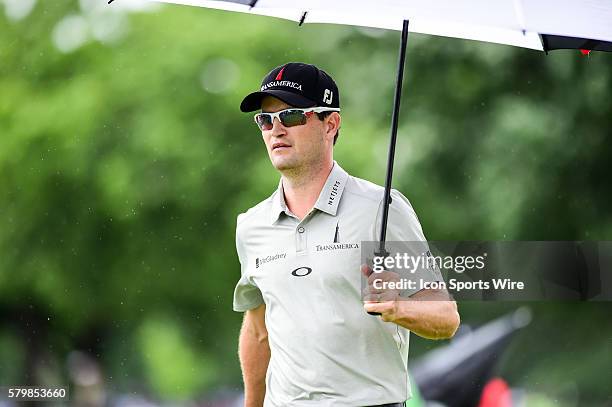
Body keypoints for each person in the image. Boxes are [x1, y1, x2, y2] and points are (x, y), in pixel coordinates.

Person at [233, 62, 460, 407]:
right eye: (266, 119)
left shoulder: (382, 209)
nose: (276, 129)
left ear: (330, 124)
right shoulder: (252, 225)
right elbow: (258, 329)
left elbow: (446, 318)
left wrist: (397, 307)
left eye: (292, 116)